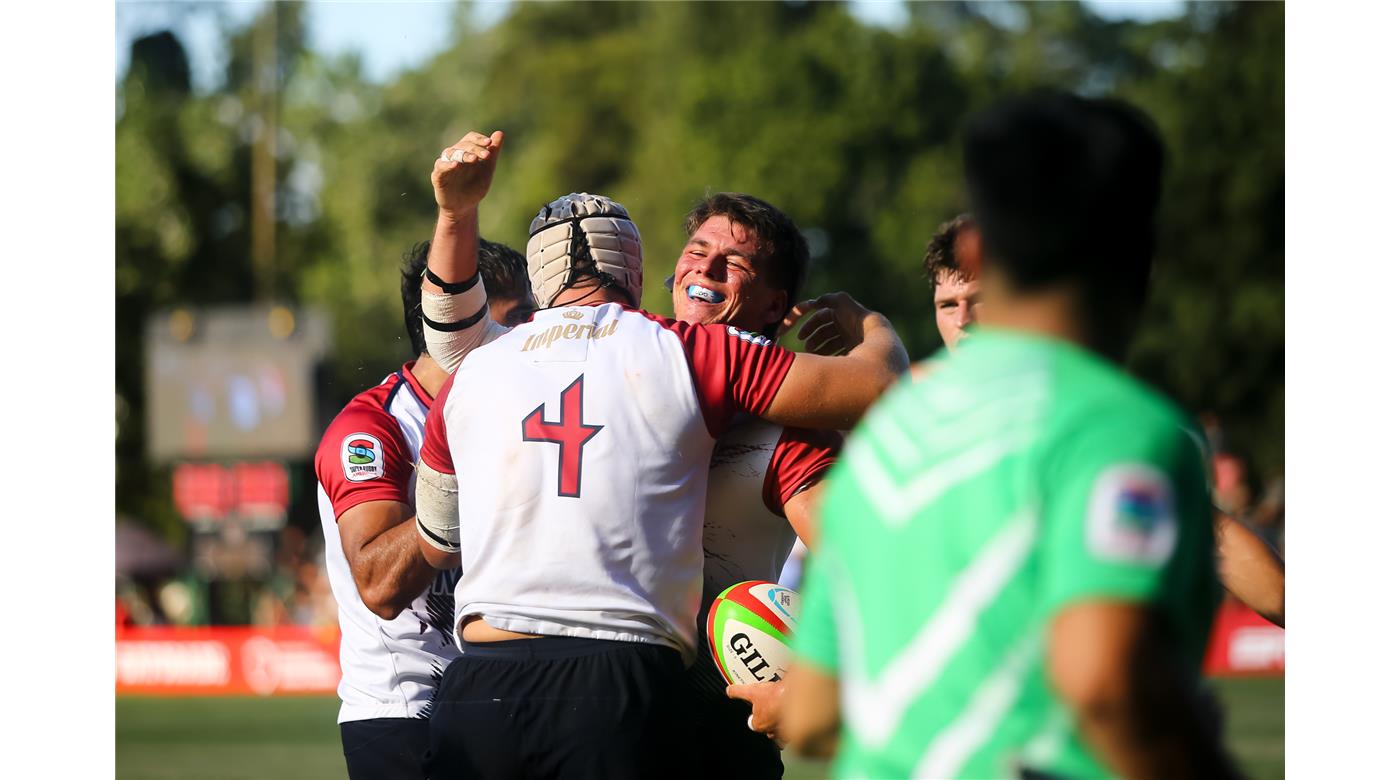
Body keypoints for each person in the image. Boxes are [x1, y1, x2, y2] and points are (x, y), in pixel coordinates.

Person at [409, 130, 908, 779]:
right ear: (648, 273)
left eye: (737, 262)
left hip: (505, 689)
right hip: (622, 689)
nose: (706, 267)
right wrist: (874, 326)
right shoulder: (689, 355)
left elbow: (439, 530)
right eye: (698, 250)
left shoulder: (480, 368)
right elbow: (879, 385)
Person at [784, 91, 1240, 778]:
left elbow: (814, 714)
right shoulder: (1122, 432)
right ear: (1143, 255)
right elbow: (1106, 683)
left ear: (976, 248)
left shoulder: (889, 437)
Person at [921, 214, 1285, 628]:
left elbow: (1215, 540)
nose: (963, 320)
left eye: (980, 298)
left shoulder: (1077, 410)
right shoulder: (917, 401)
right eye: (947, 305)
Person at [312, 239, 534, 780]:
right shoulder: (373, 428)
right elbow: (380, 585)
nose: (530, 336)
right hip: (406, 718)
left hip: (507, 703)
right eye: (517, 319)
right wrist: (454, 490)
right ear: (455, 319)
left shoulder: (519, 409)